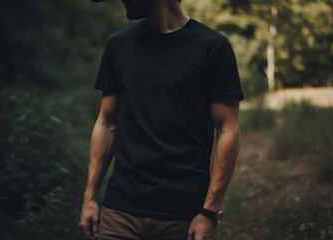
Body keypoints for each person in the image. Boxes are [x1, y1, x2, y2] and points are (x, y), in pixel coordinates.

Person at [79, 0, 244, 239]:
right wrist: (89, 197)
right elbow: (106, 123)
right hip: (119, 212)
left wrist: (209, 211)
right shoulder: (118, 44)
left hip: (183, 218)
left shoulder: (213, 47)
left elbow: (228, 130)